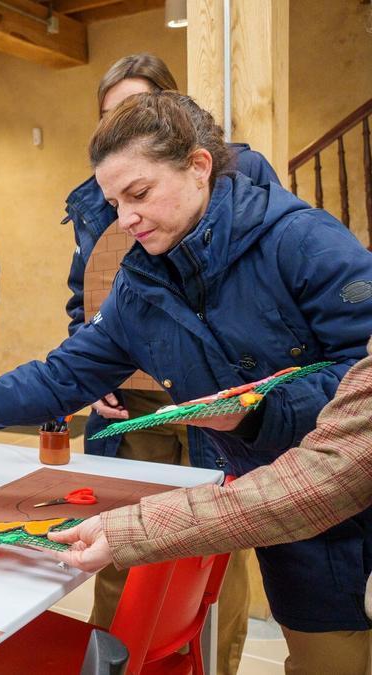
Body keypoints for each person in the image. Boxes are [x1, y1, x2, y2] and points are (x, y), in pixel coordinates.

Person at [0, 91, 372, 672]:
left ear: (199, 167)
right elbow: (60, 377)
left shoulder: (303, 242)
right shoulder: (139, 285)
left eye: (140, 194)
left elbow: (363, 372)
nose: (125, 218)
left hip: (344, 476)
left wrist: (256, 411)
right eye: (113, 201)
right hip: (290, 512)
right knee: (325, 656)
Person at [61, 53, 278, 672]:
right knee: (119, 539)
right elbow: (88, 295)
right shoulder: (94, 201)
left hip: (214, 402)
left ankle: (213, 664)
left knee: (215, 547)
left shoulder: (242, 190)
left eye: (135, 110)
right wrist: (94, 364)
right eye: (110, 116)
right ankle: (114, 662)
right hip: (138, 406)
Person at [51, 334, 372, 675]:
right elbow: (327, 474)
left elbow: (322, 480)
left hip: (230, 407)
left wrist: (256, 415)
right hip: (142, 402)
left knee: (217, 576)